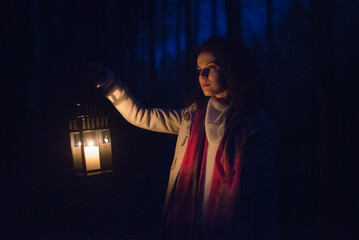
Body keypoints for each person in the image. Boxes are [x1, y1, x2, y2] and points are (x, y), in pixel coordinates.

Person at [89, 37, 278, 240]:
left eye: (211, 67)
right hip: (189, 228)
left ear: (231, 68)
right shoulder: (190, 119)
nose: (203, 75)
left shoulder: (258, 126)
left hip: (232, 230)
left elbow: (265, 194)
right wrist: (110, 83)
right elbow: (141, 115)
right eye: (199, 69)